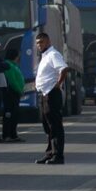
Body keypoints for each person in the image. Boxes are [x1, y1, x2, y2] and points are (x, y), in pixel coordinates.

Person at [34, 32, 68, 165]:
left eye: (41, 42)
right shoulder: (45, 55)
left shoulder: (53, 54)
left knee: (55, 125)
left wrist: (57, 85)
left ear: (48, 42)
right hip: (44, 94)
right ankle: (49, 153)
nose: (39, 45)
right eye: (37, 43)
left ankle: (58, 155)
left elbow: (64, 69)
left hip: (52, 94)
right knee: (47, 125)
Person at [2, 47, 25, 142]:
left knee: (15, 114)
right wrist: (19, 90)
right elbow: (12, 80)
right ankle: (7, 135)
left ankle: (13, 134)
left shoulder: (14, 65)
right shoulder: (8, 65)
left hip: (15, 93)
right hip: (11, 93)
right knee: (9, 114)